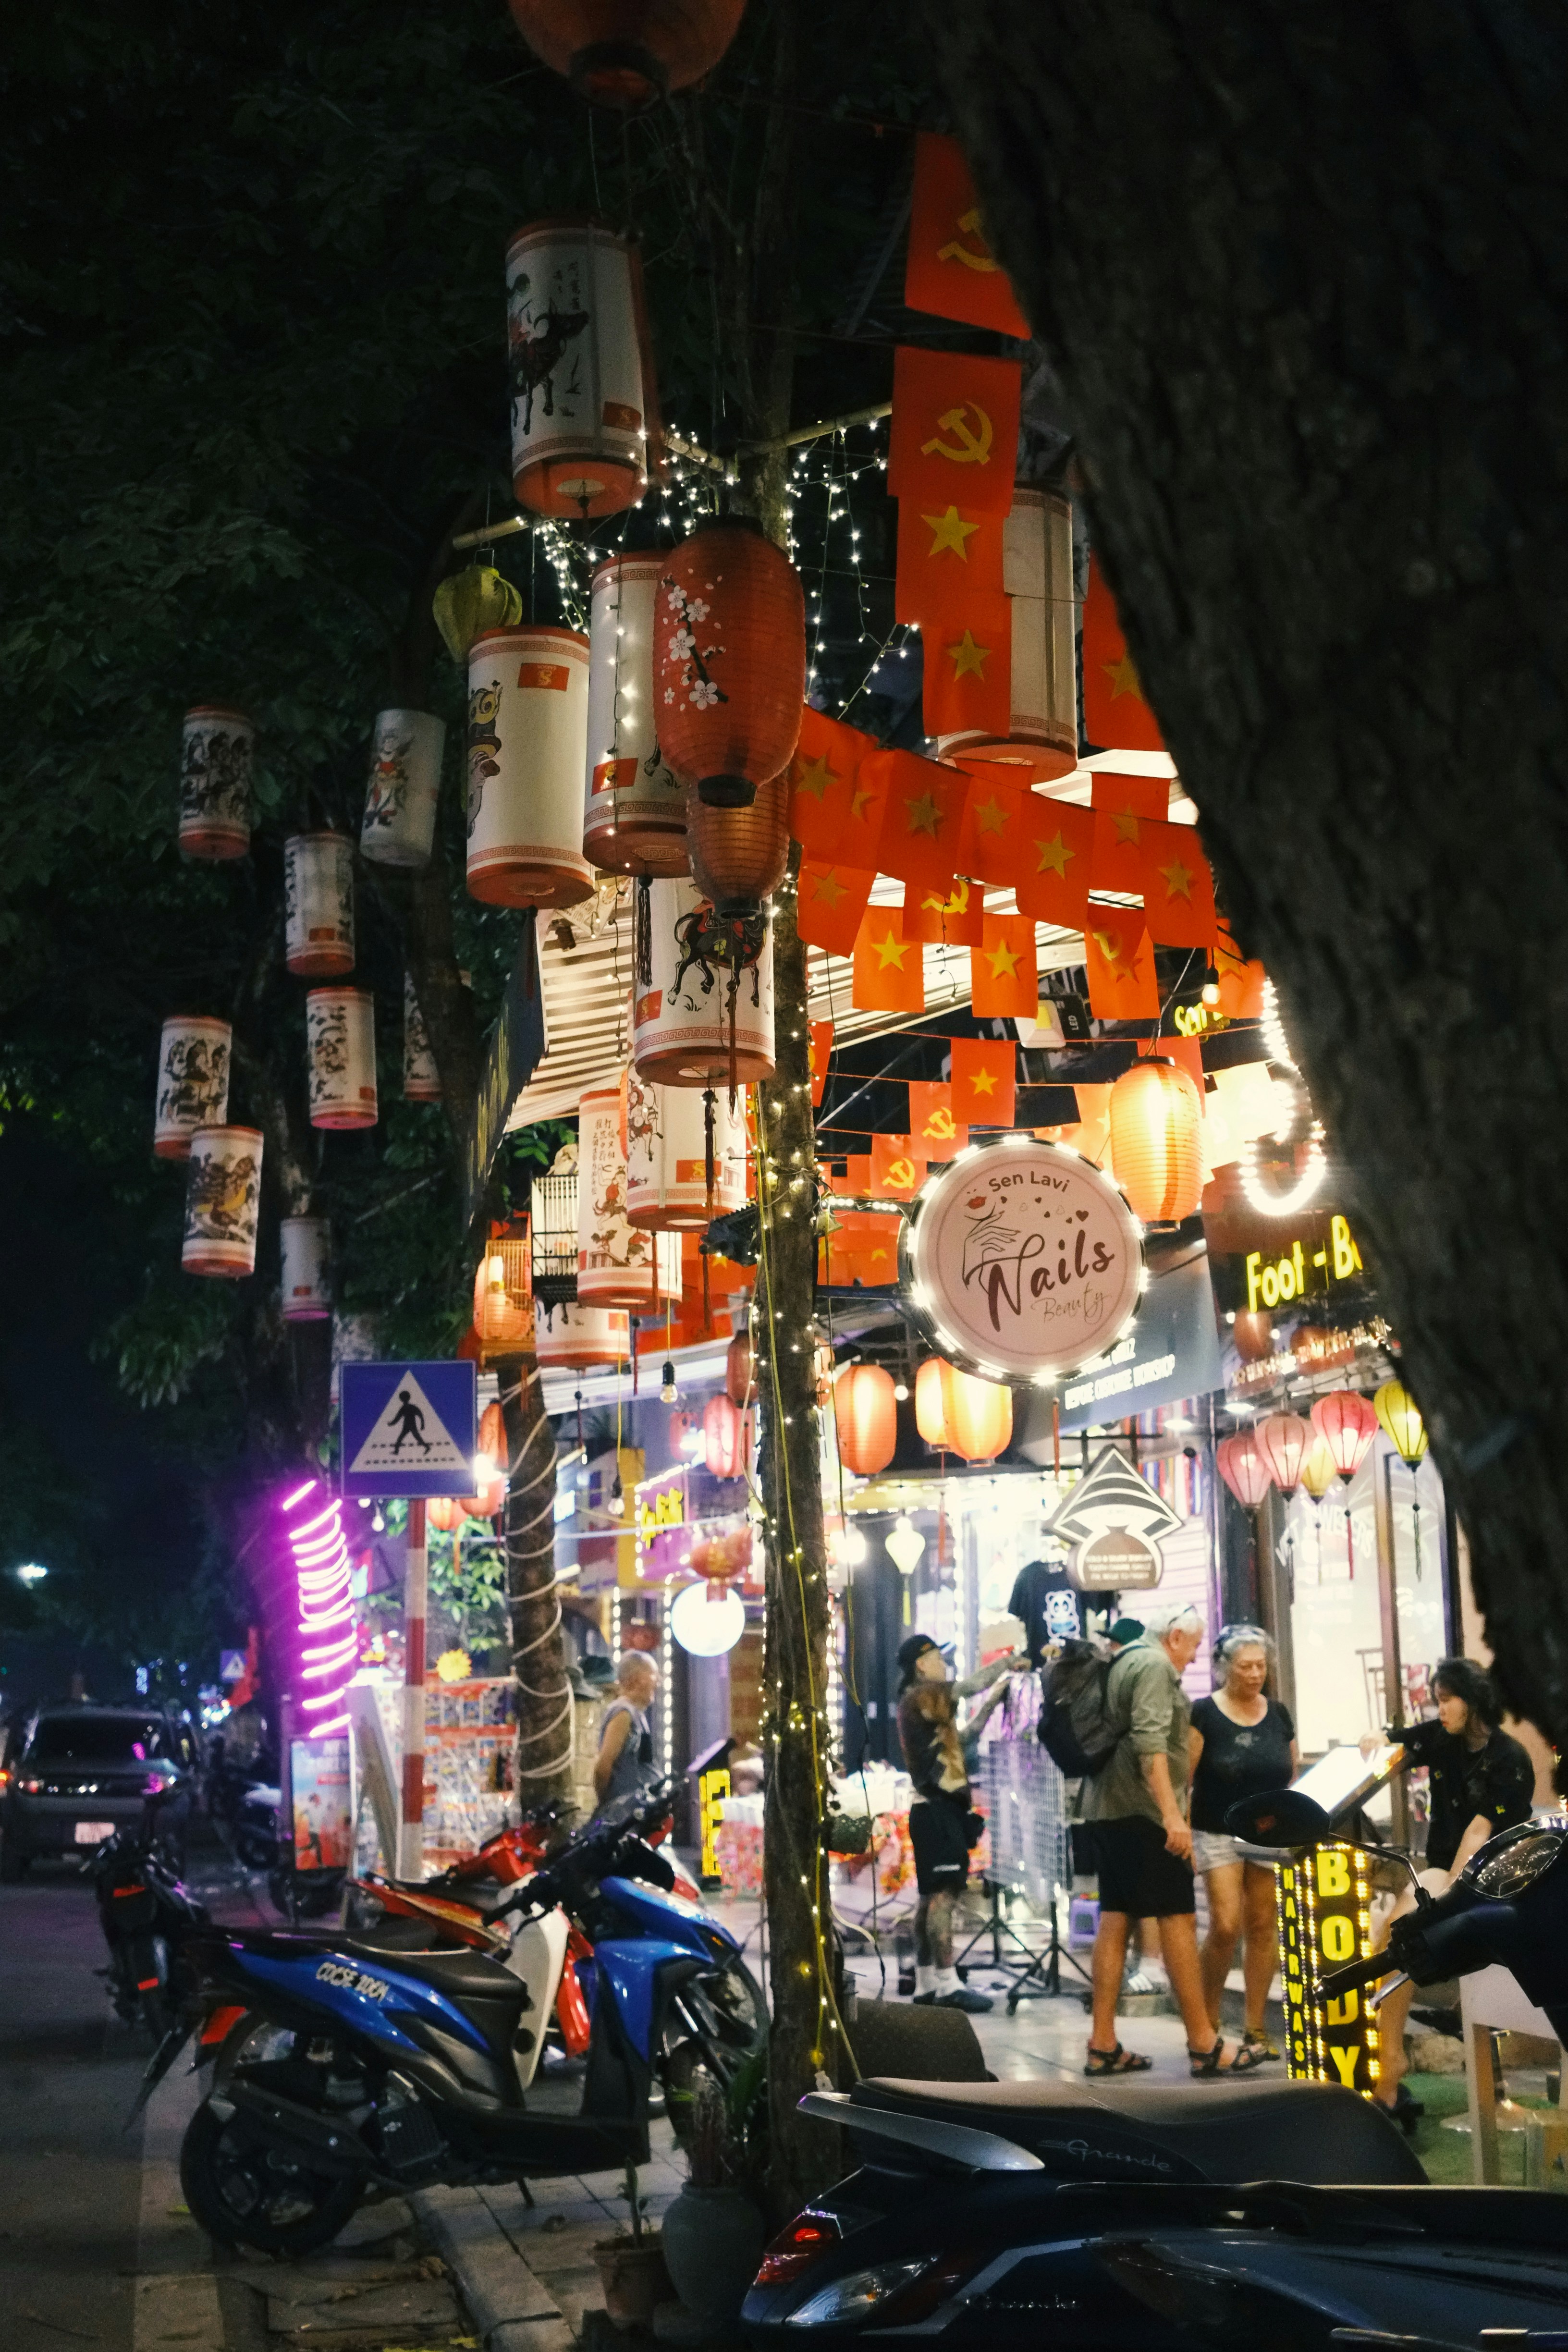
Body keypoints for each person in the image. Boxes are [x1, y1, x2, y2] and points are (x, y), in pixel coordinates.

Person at [1082, 1600, 1266, 2078]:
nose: (1194, 1659)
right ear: (1176, 1638)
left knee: (1115, 1919)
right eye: (1196, 1648)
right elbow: (1151, 1746)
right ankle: (1204, 2042)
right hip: (1143, 1812)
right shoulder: (1153, 1666)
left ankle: (1103, 2043)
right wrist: (1172, 1817)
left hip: (1108, 1807)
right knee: (1178, 1920)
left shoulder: (1124, 1660)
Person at [1361, 1657, 1535, 2122]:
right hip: (1444, 1872)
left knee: (1404, 1932)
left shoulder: (1508, 1759)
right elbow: (1395, 1742)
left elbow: (1478, 1837)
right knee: (1392, 1937)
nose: (1438, 1710)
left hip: (1496, 1882)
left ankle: (1399, 2071)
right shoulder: (1443, 1739)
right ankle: (1391, 2065)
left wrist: (1442, 1906)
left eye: (1445, 1700)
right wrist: (1378, 1740)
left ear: (1472, 1701)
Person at [1189, 1623, 1300, 2057]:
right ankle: (1207, 2023)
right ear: (1223, 1668)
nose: (1256, 1674)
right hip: (1216, 1828)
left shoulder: (1278, 1714)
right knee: (1225, 1924)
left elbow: (1291, 1771)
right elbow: (1187, 1778)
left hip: (1267, 1830)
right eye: (1245, 1666)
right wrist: (1179, 1831)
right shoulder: (1204, 1713)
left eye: (1261, 1666)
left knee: (1262, 1926)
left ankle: (1256, 2028)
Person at [895, 1633, 1022, 2012]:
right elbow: (970, 1686)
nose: (944, 1665)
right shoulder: (923, 1695)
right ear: (921, 1664)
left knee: (929, 1897)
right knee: (943, 1897)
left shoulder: (925, 1703)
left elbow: (960, 1739)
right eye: (938, 1658)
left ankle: (926, 1983)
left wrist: (992, 1706)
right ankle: (949, 1985)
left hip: (934, 1810)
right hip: (937, 1810)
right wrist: (1009, 1661)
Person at [593, 1653, 660, 1811]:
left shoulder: (635, 1714)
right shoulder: (623, 1713)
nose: (658, 1683)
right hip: (625, 1816)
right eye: (653, 1676)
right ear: (635, 1679)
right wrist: (608, 1806)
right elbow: (603, 1767)